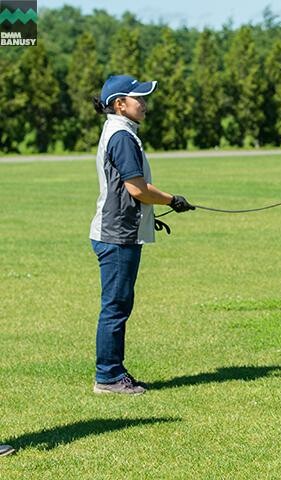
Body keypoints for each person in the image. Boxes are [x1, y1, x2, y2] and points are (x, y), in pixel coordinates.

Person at [89, 75, 194, 395]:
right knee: (116, 307)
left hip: (119, 232)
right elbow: (136, 189)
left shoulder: (121, 131)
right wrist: (171, 199)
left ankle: (112, 371)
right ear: (120, 104)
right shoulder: (121, 135)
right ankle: (107, 377)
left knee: (118, 305)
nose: (145, 104)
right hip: (117, 235)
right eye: (139, 99)